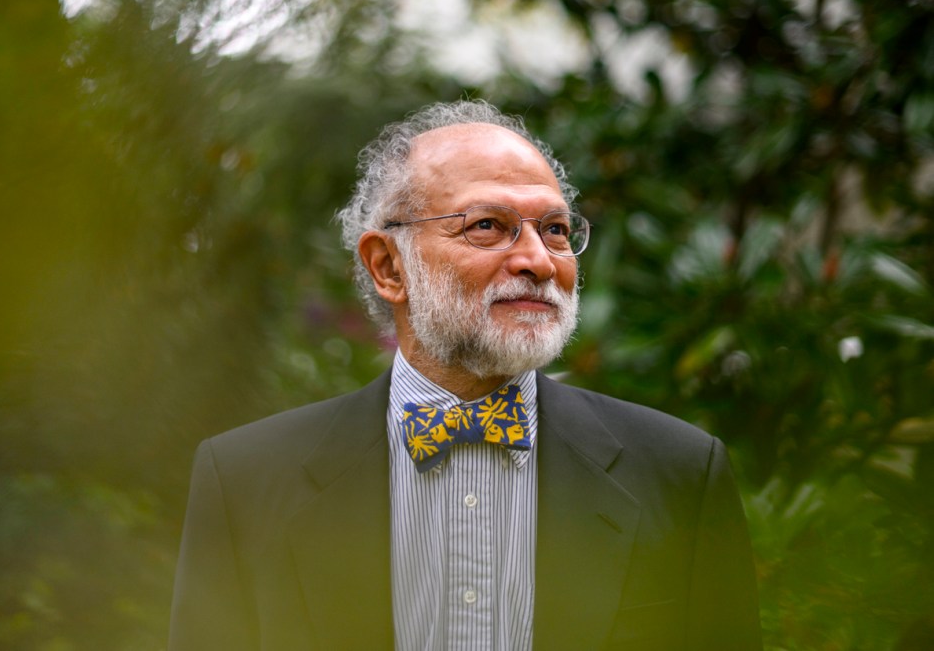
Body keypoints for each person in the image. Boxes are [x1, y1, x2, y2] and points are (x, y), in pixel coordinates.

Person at [168, 100, 761, 650]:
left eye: (554, 229)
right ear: (388, 267)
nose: (538, 260)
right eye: (487, 225)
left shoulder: (680, 473)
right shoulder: (244, 481)